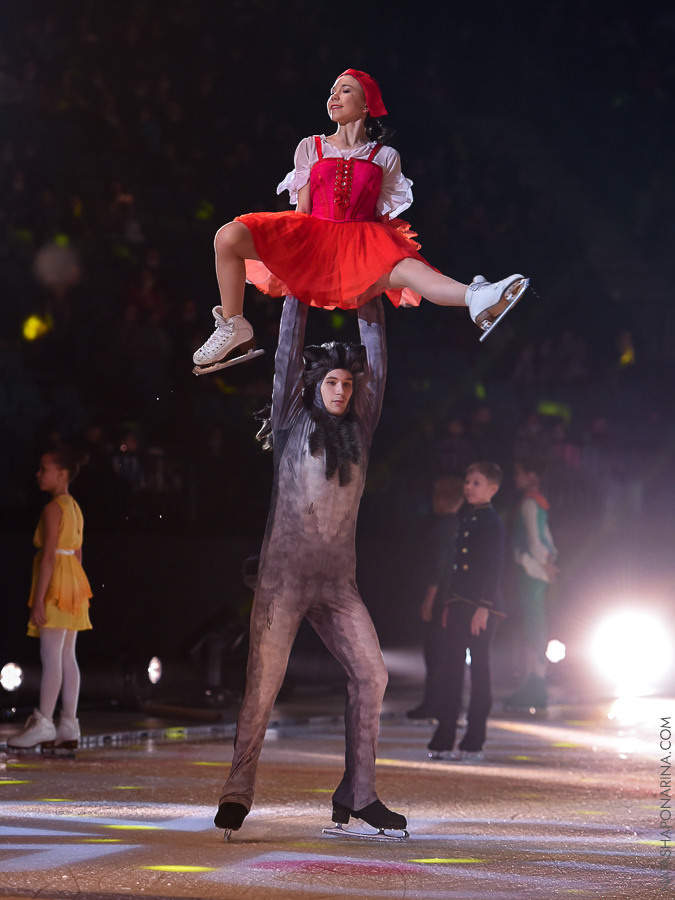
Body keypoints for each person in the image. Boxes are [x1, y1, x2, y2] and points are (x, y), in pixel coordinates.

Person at [213, 294, 407, 838]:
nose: (342, 390)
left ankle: (358, 792)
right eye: (331, 383)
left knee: (372, 675)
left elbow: (378, 351)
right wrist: (299, 284)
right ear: (314, 386)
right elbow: (286, 351)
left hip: (338, 585)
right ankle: (237, 789)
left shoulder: (362, 428)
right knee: (262, 686)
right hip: (283, 583)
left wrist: (368, 284)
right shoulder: (289, 419)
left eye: (348, 383)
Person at [192, 68, 529, 374]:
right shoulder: (311, 147)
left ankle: (477, 297)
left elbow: (381, 213)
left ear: (366, 105)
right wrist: (285, 252)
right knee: (228, 237)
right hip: (314, 234)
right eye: (333, 91)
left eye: (345, 91)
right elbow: (303, 209)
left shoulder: (384, 156)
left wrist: (386, 253)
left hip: (364, 238)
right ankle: (233, 324)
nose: (334, 96)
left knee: (417, 271)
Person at [9, 446, 93, 750]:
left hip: (58, 582)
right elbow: (78, 552)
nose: (38, 474)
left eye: (44, 469)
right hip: (73, 582)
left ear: (62, 473)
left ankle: (44, 721)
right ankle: (68, 724)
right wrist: (75, 589)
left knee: (51, 656)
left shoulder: (53, 508)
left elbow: (47, 557)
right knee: (67, 656)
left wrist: (40, 598)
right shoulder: (74, 507)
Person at [426, 462, 506, 761]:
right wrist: (449, 603)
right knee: (452, 668)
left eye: (476, 483)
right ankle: (445, 731)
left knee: (480, 669)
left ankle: (475, 735)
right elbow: (457, 571)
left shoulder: (492, 522)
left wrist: (484, 606)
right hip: (460, 604)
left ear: (492, 489)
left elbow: (494, 567)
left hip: (482, 607)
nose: (469, 487)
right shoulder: (467, 518)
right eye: (468, 481)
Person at [406, 475, 465, 721]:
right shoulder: (460, 525)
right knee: (445, 653)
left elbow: (440, 565)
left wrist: (429, 597)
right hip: (452, 597)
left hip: (441, 598)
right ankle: (442, 703)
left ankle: (433, 703)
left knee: (435, 652)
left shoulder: (444, 527)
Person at [505, 458, 558, 711]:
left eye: (519, 472)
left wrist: (542, 563)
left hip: (530, 571)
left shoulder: (529, 502)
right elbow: (547, 540)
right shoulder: (539, 501)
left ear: (532, 474)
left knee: (533, 627)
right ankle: (534, 684)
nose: (516, 477)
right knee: (536, 626)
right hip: (537, 572)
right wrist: (549, 561)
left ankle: (534, 684)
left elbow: (535, 540)